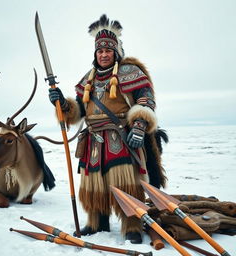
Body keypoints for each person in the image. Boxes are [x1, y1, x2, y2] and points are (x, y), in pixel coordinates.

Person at [49, 14, 167, 244]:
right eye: (99, 51)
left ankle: (132, 225)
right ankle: (96, 222)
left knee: (126, 184)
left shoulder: (130, 72)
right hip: (93, 140)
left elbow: (146, 100)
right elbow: (77, 113)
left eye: (108, 51)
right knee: (94, 185)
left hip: (120, 136)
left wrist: (140, 125)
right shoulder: (87, 80)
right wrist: (61, 103)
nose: (103, 55)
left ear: (116, 52)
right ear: (95, 54)